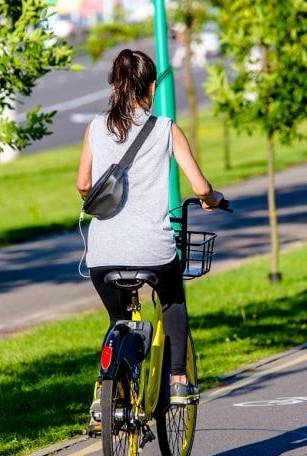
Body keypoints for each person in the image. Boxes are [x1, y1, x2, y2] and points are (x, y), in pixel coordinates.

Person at [77, 49, 222, 404]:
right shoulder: (166, 129)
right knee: (172, 299)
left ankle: (105, 397)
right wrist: (211, 199)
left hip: (103, 252)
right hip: (152, 250)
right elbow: (201, 188)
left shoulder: (96, 127)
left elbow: (83, 185)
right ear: (153, 86)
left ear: (114, 84)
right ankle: (177, 380)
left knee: (119, 318)